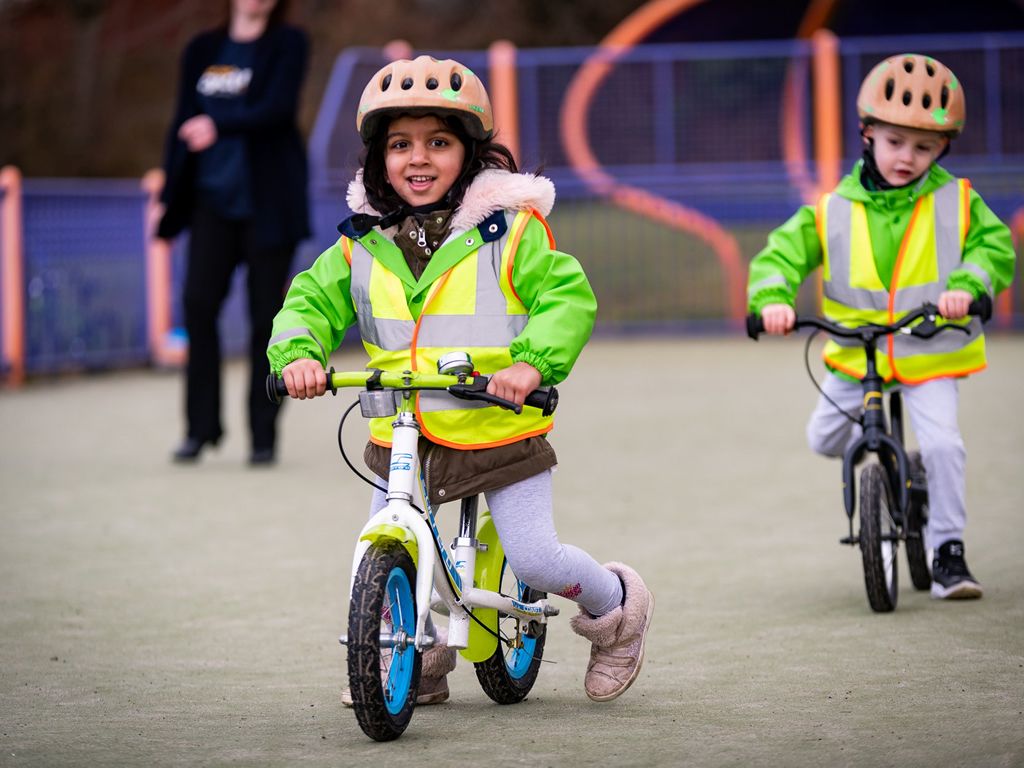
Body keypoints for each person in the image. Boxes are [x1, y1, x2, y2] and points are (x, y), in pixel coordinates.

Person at [267, 56, 654, 704]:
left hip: (499, 422)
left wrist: (531, 364)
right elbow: (308, 302)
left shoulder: (511, 232)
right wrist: (299, 355)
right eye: (400, 145)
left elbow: (567, 298)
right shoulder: (360, 243)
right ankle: (420, 658)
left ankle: (619, 611)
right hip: (405, 427)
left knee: (534, 559)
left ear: (470, 154)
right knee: (382, 546)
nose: (417, 159)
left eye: (438, 142)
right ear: (377, 158)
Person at [747, 53, 1015, 599]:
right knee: (823, 438)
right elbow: (782, 254)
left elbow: (993, 247)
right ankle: (890, 475)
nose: (907, 157)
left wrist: (970, 284)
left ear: (943, 148)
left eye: (924, 147)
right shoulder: (832, 209)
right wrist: (771, 299)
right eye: (895, 142)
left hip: (930, 349)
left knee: (942, 447)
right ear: (867, 133)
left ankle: (947, 555)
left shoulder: (957, 201)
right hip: (855, 351)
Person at [158, 0, 310, 466]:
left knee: (267, 319)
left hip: (268, 206)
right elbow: (182, 121)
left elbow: (277, 111)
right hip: (211, 203)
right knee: (198, 307)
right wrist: (168, 196)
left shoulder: (288, 43)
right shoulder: (203, 47)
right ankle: (200, 429)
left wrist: (218, 123)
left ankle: (262, 435)